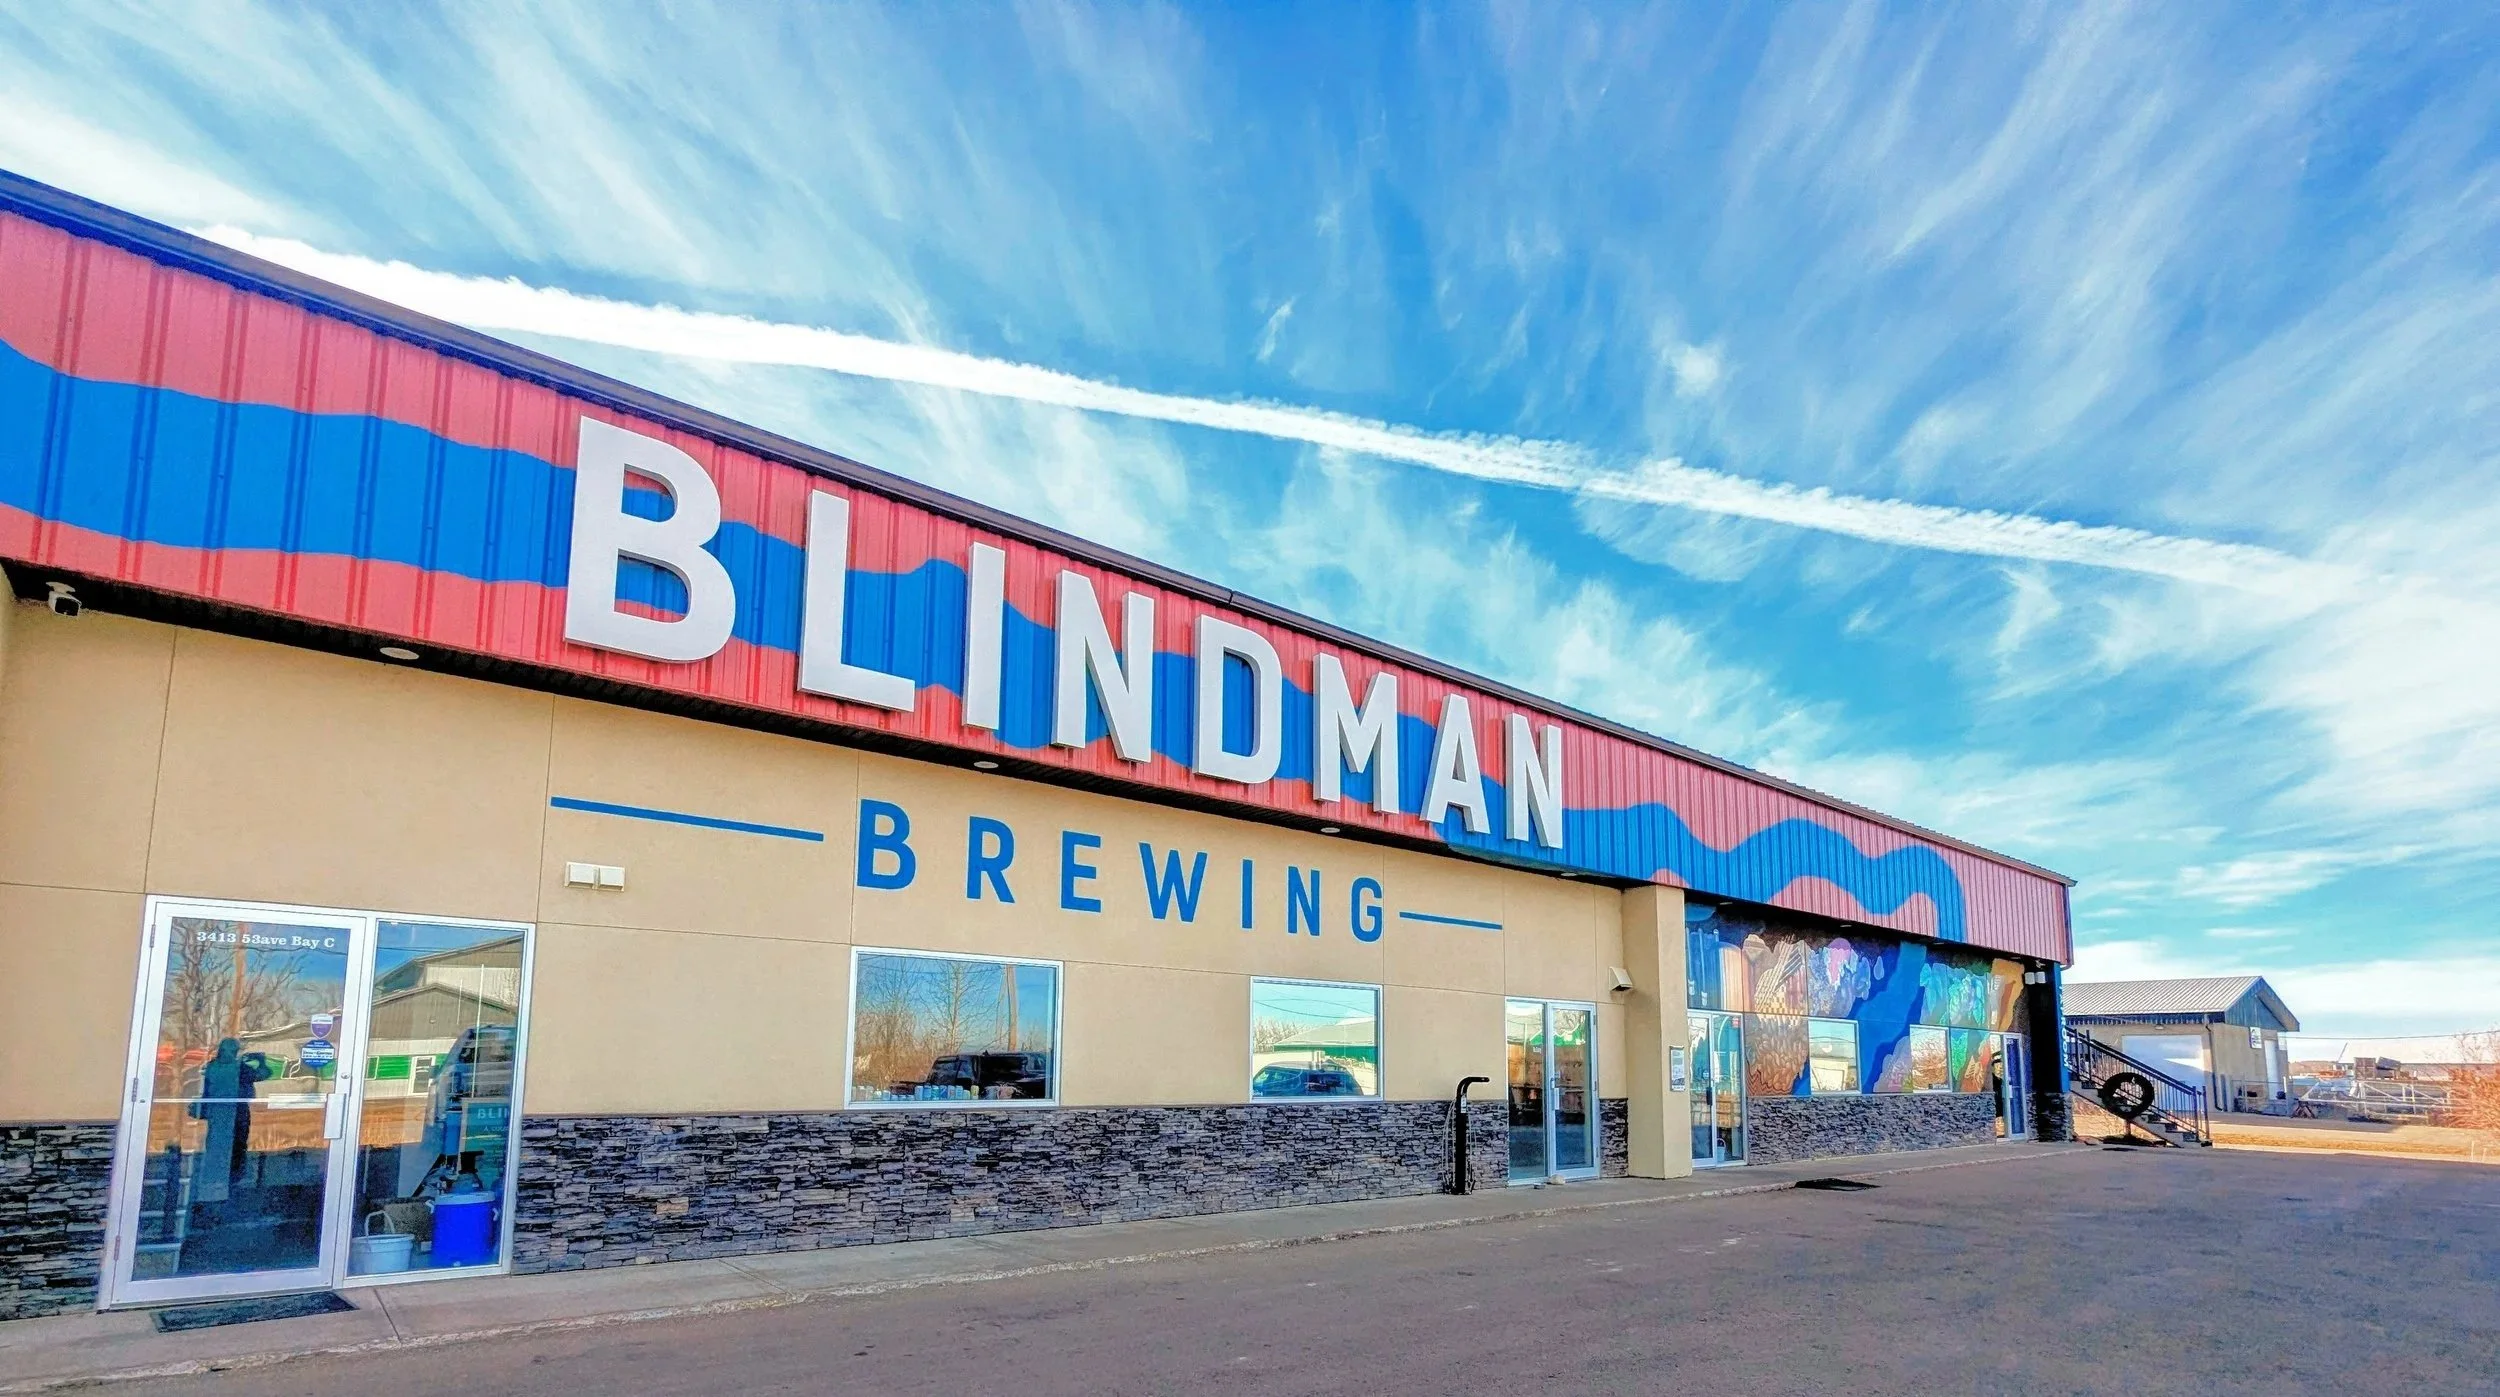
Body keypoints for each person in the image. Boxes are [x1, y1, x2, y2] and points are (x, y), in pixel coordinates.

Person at [189, 1038, 269, 1203]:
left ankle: (213, 1184)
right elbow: (264, 1074)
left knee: (216, 1146)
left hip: (216, 1112)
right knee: (237, 1147)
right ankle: (232, 1184)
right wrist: (261, 1061)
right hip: (237, 1112)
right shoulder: (239, 1068)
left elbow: (207, 1091)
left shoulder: (212, 1066)